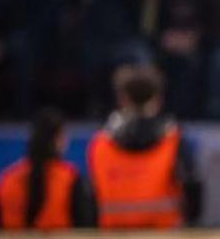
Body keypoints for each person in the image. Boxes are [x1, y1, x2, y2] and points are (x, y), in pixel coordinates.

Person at [86, 63, 201, 229]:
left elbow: (90, 197)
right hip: (166, 238)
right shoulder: (174, 140)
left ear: (122, 99)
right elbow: (192, 190)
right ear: (159, 99)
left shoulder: (100, 143)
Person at [0, 109, 95, 230]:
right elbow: (84, 229)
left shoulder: (7, 180)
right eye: (64, 136)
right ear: (57, 140)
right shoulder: (69, 179)